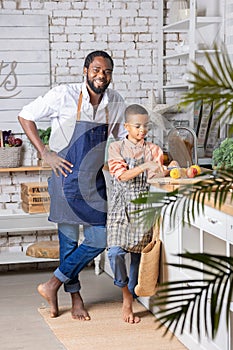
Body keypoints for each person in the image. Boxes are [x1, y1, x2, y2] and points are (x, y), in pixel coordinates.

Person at [18, 50, 126, 320]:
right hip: (65, 180)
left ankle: (51, 284)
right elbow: (25, 115)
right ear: (86, 70)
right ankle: (75, 298)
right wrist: (44, 152)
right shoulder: (63, 95)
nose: (101, 76)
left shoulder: (115, 102)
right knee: (69, 243)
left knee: (99, 238)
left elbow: (123, 137)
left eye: (107, 71)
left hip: (94, 183)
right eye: (97, 70)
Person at [107, 104, 169, 324]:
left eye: (145, 126)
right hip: (121, 207)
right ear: (126, 127)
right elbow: (121, 176)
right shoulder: (116, 148)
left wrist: (165, 169)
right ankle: (125, 294)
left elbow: (157, 177)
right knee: (114, 252)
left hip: (143, 207)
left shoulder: (154, 149)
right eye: (137, 126)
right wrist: (145, 166)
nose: (142, 130)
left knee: (136, 257)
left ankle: (130, 297)